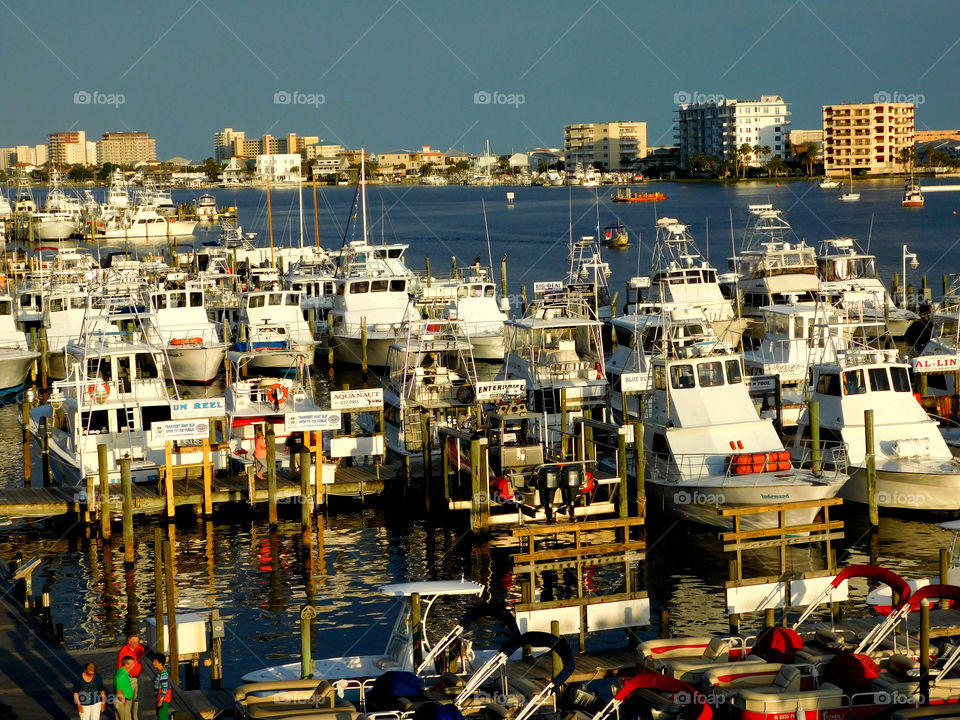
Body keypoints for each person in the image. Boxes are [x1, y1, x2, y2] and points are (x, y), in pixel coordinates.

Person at [117, 633, 145, 720]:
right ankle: (127, 717)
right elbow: (119, 667)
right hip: (129, 678)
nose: (138, 644)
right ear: (129, 642)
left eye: (138, 641)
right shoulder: (123, 651)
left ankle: (136, 718)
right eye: (135, 642)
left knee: (138, 699)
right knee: (128, 699)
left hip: (139, 676)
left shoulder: (140, 648)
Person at [153, 653, 172, 720]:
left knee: (162, 717)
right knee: (161, 716)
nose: (153, 663)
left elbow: (165, 687)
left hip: (163, 700)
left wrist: (161, 700)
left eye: (155, 661)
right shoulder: (160, 672)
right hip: (160, 698)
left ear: (160, 663)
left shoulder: (163, 673)